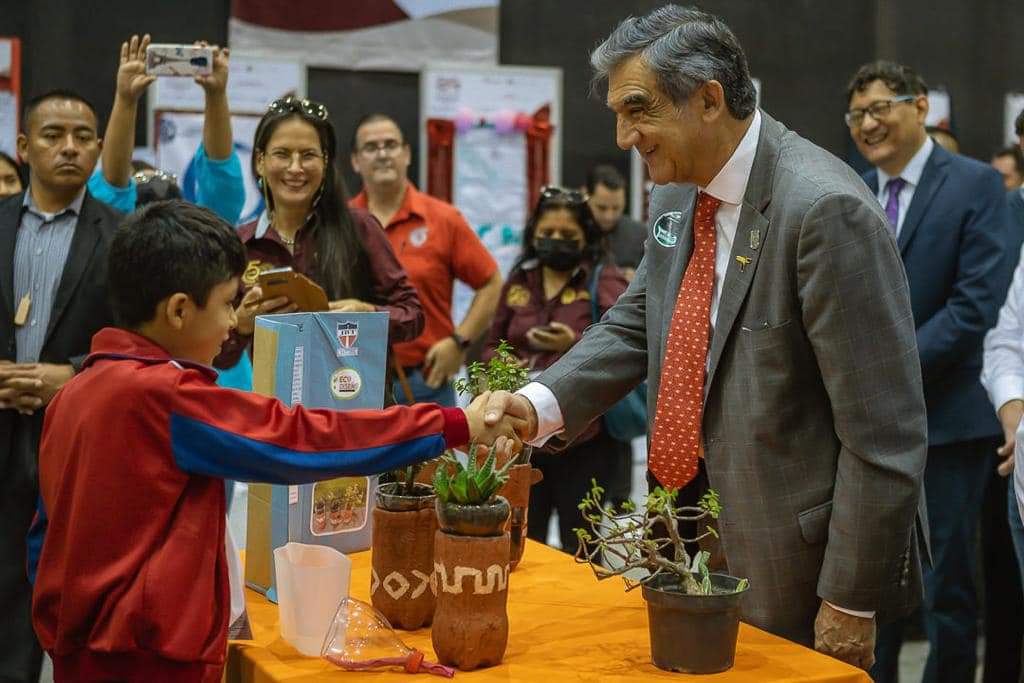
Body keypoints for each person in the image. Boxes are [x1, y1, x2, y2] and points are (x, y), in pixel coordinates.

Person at [482, 5, 928, 669]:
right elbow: (639, 320)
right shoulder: (675, 195)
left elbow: (885, 433)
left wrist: (850, 598)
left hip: (795, 566)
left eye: (638, 109)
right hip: (681, 535)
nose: (624, 134)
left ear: (708, 99)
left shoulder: (824, 211)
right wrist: (537, 403)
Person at [27, 200, 518, 682]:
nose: (230, 324)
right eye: (226, 304)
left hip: (81, 645)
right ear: (179, 310)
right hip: (147, 655)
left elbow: (43, 533)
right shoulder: (164, 395)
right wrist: (453, 424)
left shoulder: (75, 392)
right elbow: (301, 439)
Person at [845, 60, 1013, 683]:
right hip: (867, 426)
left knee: (946, 588)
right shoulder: (854, 190)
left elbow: (976, 306)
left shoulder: (974, 185)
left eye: (881, 107)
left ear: (921, 107)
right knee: (873, 579)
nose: (869, 123)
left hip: (946, 420)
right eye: (858, 114)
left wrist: (888, 371)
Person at [0, 89, 122, 683]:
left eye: (82, 136)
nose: (69, 147)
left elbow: (136, 338)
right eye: (52, 135)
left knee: (74, 599)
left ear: (100, 147)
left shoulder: (125, 237)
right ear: (24, 147)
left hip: (77, 441)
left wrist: (73, 374)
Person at [215, 98, 424, 376]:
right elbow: (219, 356)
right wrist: (241, 324)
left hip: (354, 404)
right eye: (282, 154)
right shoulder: (240, 244)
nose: (295, 168)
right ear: (260, 161)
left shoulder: (359, 228)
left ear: (325, 163)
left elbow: (412, 314)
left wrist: (368, 314)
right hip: (276, 411)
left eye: (308, 155)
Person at [482, 187, 627, 553]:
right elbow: (489, 344)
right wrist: (500, 362)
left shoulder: (602, 279)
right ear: (533, 235)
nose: (555, 243)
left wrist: (574, 342)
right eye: (547, 235)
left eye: (567, 236)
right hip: (522, 440)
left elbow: (625, 340)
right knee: (522, 541)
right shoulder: (518, 281)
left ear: (586, 238)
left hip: (584, 437)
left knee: (581, 546)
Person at [350, 113, 501, 406]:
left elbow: (492, 284)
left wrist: (459, 343)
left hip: (426, 383)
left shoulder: (443, 219)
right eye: (371, 147)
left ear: (406, 154)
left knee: (434, 456)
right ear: (355, 161)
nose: (382, 154)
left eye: (391, 145)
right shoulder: (341, 224)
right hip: (354, 380)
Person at [88, 34, 245, 223]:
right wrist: (125, 99)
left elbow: (221, 185)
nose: (155, 193)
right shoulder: (108, 230)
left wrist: (216, 94)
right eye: (139, 189)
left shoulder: (204, 236)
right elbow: (112, 189)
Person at [585, 163, 646, 282]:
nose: (609, 216)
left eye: (616, 208)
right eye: (601, 208)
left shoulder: (641, 235)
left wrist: (641, 282)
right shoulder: (573, 232)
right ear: (586, 196)